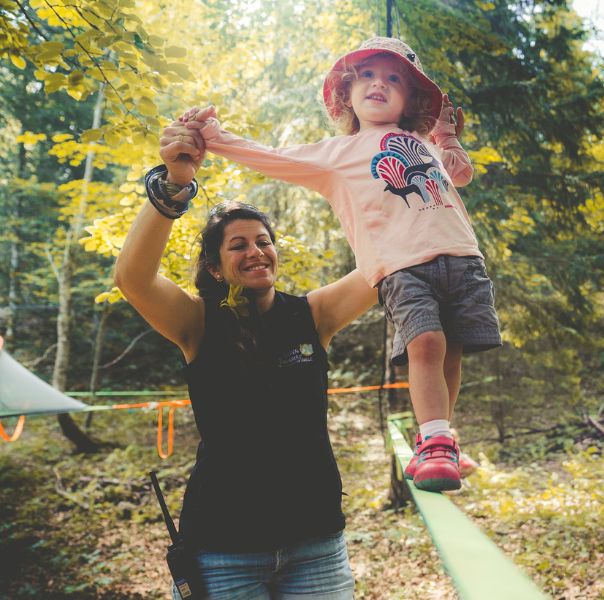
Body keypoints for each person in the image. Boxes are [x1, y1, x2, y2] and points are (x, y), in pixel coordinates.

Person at [177, 36, 501, 493]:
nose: (379, 85)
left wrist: (445, 135)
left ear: (409, 99)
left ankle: (440, 439)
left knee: (452, 351)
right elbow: (273, 158)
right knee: (425, 344)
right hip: (403, 266)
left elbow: (459, 173)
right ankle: (434, 442)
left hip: (464, 259)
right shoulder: (338, 153)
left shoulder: (421, 142)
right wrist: (212, 136)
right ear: (347, 94)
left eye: (393, 79)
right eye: (367, 76)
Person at [115, 119, 377, 599]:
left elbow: (382, 265)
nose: (256, 251)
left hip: (317, 543)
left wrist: (402, 175)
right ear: (215, 267)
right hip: (222, 549)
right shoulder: (196, 323)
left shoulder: (313, 315)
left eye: (263, 241)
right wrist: (175, 186)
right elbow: (132, 278)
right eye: (238, 245)